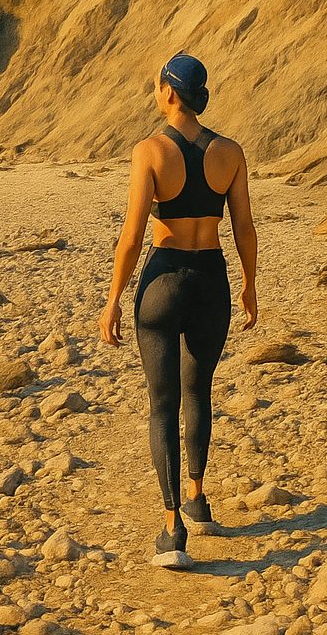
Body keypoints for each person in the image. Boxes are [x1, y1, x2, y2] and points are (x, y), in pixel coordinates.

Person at [98, 51, 258, 569]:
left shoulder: (149, 151)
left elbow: (132, 235)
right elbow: (245, 228)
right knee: (199, 391)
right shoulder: (230, 152)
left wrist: (114, 298)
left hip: (163, 281)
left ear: (169, 92)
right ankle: (197, 496)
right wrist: (250, 285)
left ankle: (173, 530)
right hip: (211, 279)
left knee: (162, 403)